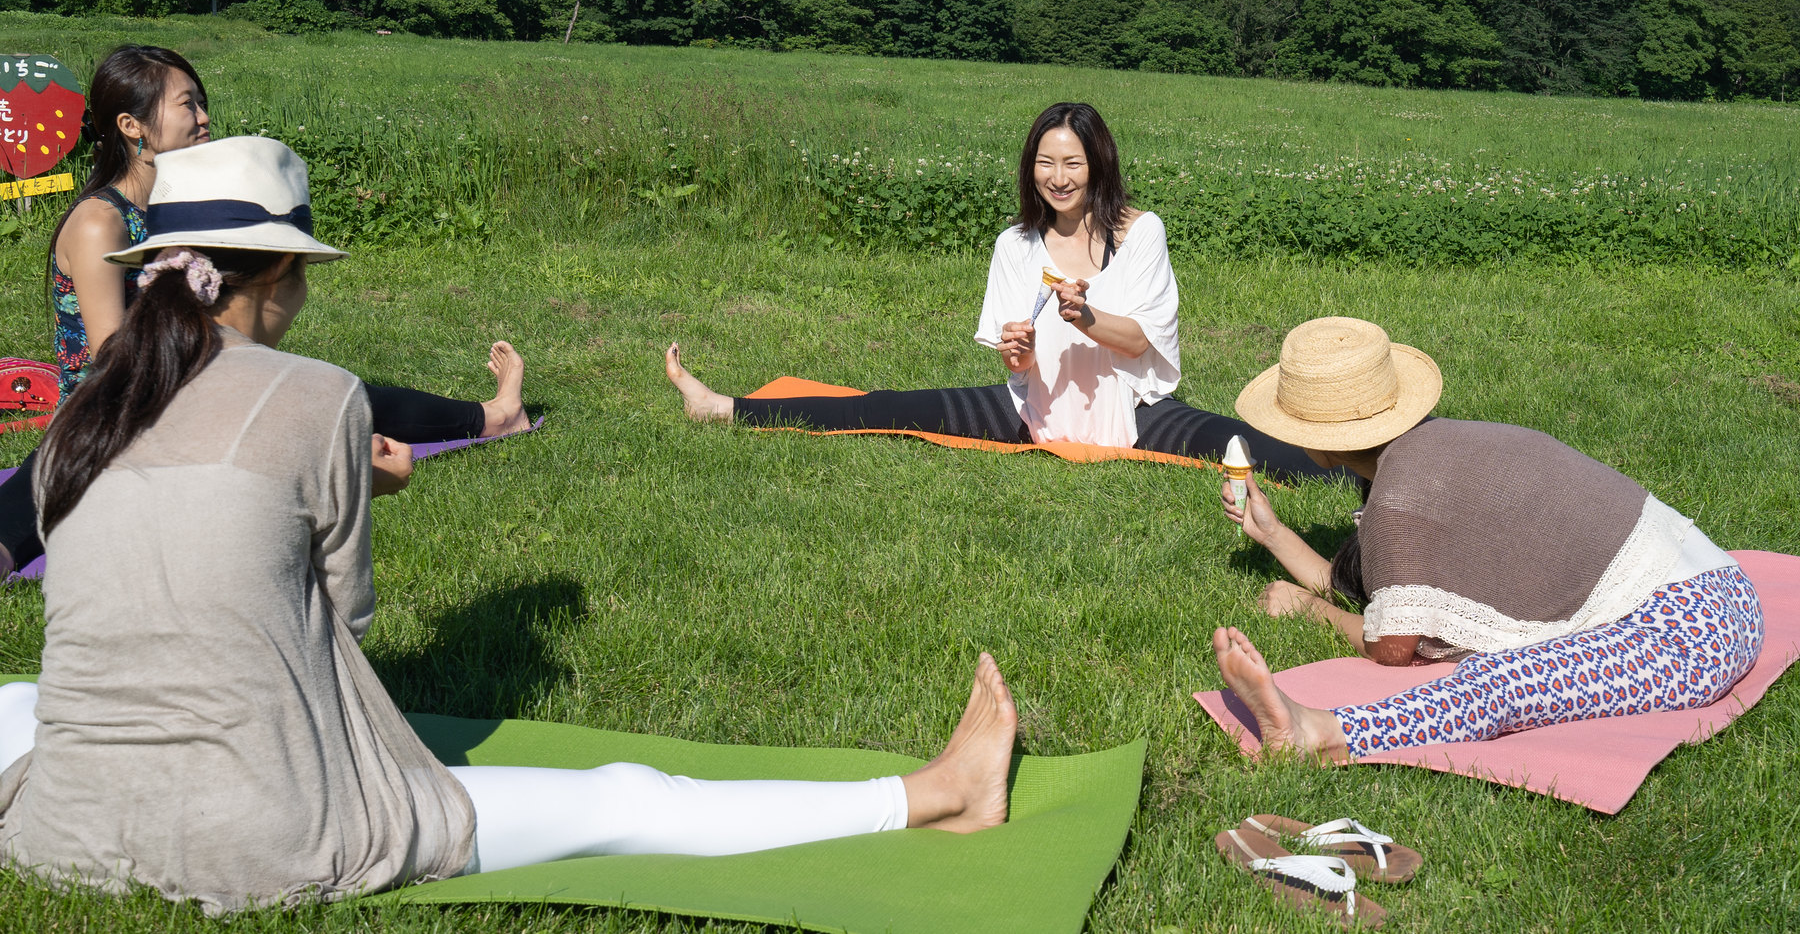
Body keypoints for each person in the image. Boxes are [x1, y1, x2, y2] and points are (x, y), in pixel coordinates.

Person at [0, 136, 1019, 913]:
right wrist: (357, 493)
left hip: (66, 828)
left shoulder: (91, 407)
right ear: (278, 277)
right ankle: (939, 794)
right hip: (264, 838)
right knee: (624, 799)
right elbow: (337, 627)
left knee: (19, 699)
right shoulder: (320, 397)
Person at [0, 45, 529, 577]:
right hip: (118, 408)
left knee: (339, 395)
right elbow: (113, 360)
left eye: (202, 102)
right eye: (188, 104)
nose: (205, 117)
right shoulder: (101, 222)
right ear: (131, 125)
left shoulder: (175, 210)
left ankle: (497, 416)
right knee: (62, 465)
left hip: (189, 384)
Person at [663, 101, 1337, 479]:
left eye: (1072, 162)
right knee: (889, 406)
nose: (1058, 175)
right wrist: (1015, 352)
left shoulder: (1140, 231)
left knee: (1239, 446)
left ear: (1097, 166)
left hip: (1131, 408)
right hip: (1032, 405)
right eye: (1045, 162)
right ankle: (723, 407)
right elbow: (1015, 358)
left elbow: (1143, 340)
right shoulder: (1015, 244)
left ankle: (1372, 461)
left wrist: (1087, 315)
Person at [1208, 316, 1763, 761]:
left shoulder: (1404, 495)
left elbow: (1390, 649)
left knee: (1502, 685)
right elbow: (1372, 586)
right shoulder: (1439, 444)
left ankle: (1319, 733)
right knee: (1509, 676)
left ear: (1317, 443)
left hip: (1696, 637)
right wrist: (1275, 535)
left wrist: (1310, 609)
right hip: (1722, 589)